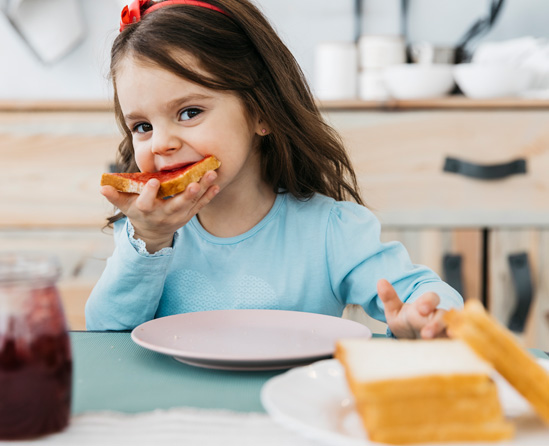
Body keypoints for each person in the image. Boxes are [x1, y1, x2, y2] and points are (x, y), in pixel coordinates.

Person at [85, 0, 463, 338]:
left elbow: (424, 292)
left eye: (189, 112)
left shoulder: (330, 231)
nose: (160, 143)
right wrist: (148, 241)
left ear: (261, 111)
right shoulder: (144, 235)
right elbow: (104, 334)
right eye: (142, 127)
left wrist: (426, 316)